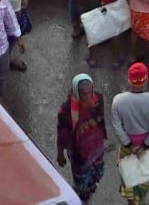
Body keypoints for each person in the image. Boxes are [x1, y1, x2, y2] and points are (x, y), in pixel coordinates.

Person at [111, 63, 149, 205]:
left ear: (129, 80)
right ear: (146, 80)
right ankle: (140, 201)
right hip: (147, 149)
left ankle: (131, 202)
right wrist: (144, 146)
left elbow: (117, 126)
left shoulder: (118, 101)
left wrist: (129, 144)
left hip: (127, 148)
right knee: (142, 179)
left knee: (128, 177)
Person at [57, 74, 109, 203]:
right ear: (76, 92)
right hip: (79, 153)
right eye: (83, 93)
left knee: (99, 173)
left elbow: (100, 120)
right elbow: (62, 133)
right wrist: (60, 153)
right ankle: (79, 197)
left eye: (89, 92)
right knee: (81, 182)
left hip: (96, 148)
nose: (87, 96)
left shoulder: (97, 99)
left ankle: (89, 189)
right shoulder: (67, 109)